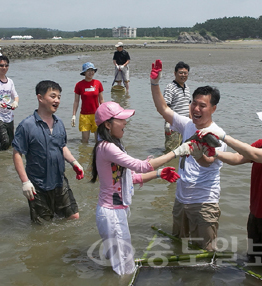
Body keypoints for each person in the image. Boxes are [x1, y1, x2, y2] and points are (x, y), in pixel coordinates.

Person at [90, 101, 191, 275]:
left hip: (113, 212)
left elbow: (132, 177)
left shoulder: (112, 146)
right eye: (121, 120)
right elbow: (141, 166)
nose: (125, 123)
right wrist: (177, 151)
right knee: (125, 269)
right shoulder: (107, 148)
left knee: (117, 262)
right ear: (108, 124)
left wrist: (159, 173)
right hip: (112, 214)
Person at [199, 103, 262, 272]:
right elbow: (237, 158)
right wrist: (213, 153)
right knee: (255, 262)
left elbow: (253, 154)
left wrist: (223, 136)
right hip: (256, 216)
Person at [150, 59, 227, 251]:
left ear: (213, 109)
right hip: (181, 198)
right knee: (178, 245)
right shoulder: (187, 124)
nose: (196, 109)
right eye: (194, 103)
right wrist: (154, 82)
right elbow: (163, 109)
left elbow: (209, 162)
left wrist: (198, 154)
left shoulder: (218, 135)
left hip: (204, 201)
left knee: (206, 251)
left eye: (202, 105)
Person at [12, 80, 85, 224]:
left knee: (73, 217)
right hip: (37, 184)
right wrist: (25, 182)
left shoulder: (59, 123)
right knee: (42, 226)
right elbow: (17, 154)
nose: (57, 100)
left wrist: (74, 162)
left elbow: (62, 146)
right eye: (53, 96)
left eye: (59, 97)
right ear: (40, 98)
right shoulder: (27, 125)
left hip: (59, 180)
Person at [72, 62, 104, 143]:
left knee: (98, 140)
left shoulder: (98, 83)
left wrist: (104, 114)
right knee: (85, 140)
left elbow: (101, 100)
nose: (91, 72)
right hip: (84, 115)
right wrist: (74, 115)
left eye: (92, 70)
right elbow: (76, 101)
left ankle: (98, 155)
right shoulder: (79, 85)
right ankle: (84, 155)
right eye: (88, 71)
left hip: (97, 115)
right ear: (84, 72)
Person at [163, 61, 191, 153]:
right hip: (173, 125)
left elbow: (189, 106)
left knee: (184, 151)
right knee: (172, 151)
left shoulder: (187, 88)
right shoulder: (170, 87)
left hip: (186, 125)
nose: (183, 75)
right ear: (175, 74)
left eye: (185, 73)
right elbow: (166, 106)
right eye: (180, 73)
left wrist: (193, 122)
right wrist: (168, 123)